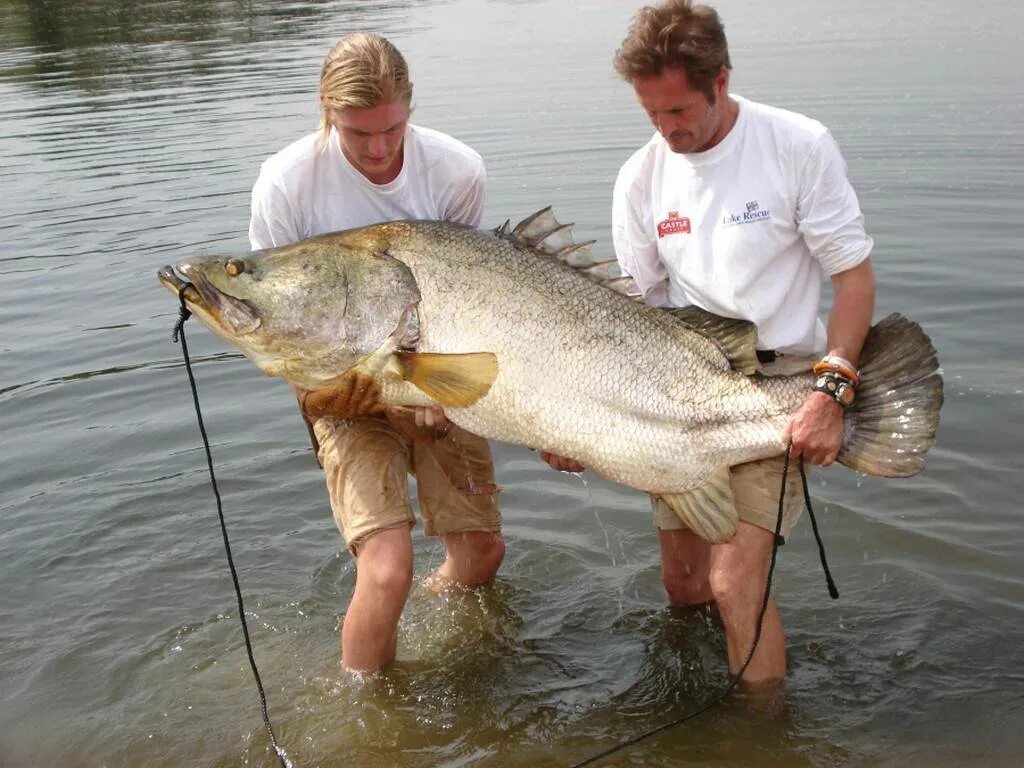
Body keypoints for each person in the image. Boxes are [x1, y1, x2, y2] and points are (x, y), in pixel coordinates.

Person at [545, 0, 875, 687]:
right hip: (675, 381)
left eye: (679, 112)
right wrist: (576, 421)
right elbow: (629, 324)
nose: (667, 131)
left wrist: (833, 390)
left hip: (783, 384)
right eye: (651, 115)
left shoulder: (798, 145)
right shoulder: (640, 179)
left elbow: (854, 280)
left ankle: (760, 739)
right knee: (684, 582)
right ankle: (702, 691)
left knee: (732, 583)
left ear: (720, 81)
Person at [248, 32, 505, 673]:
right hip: (343, 389)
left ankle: (432, 612)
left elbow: (470, 302)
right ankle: (365, 711)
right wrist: (322, 400)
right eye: (357, 133)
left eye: (391, 129)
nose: (378, 148)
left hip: (435, 374)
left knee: (481, 558)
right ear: (326, 113)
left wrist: (434, 403)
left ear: (410, 108)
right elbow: (279, 330)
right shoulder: (286, 186)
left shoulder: (456, 170)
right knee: (386, 570)